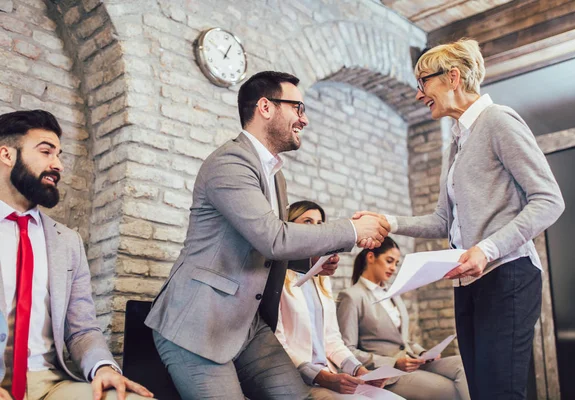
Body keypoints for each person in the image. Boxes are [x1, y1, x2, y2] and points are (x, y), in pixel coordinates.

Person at [145, 71, 391, 400]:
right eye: (298, 108)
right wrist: (350, 229)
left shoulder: (275, 175)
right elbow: (273, 238)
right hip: (198, 323)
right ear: (265, 106)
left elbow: (264, 250)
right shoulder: (230, 163)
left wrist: (310, 263)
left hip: (248, 324)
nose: (304, 119)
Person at [355, 39, 565, 399]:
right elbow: (443, 221)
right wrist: (390, 221)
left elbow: (549, 200)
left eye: (424, 82)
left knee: (501, 392)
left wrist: (487, 248)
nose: (420, 94)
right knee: (481, 392)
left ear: (453, 77)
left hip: (508, 276)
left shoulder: (498, 120)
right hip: (470, 282)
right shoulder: (455, 142)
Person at [0, 110, 153, 400]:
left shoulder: (67, 242)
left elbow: (81, 329)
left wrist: (104, 367)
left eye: (59, 154)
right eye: (46, 151)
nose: (57, 164)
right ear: (7, 155)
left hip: (50, 383)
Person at [275, 201, 404, 400]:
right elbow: (278, 344)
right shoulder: (277, 279)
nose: (316, 229)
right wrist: (323, 377)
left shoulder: (322, 279)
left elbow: (333, 341)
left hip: (332, 373)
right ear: (289, 227)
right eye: (307, 221)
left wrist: (359, 370)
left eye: (320, 224)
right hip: (300, 379)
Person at [337, 237, 469, 400]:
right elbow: (347, 350)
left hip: (413, 363)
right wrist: (393, 362)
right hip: (388, 374)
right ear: (370, 257)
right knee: (450, 390)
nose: (393, 268)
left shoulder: (393, 295)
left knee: (466, 367)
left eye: (396, 264)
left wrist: (423, 353)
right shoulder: (352, 297)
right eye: (389, 261)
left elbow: (403, 341)